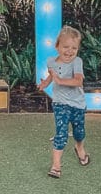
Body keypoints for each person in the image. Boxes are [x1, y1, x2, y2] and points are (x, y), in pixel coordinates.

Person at [37, 25, 90, 178]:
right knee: (61, 133)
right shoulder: (51, 62)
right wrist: (45, 84)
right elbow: (51, 77)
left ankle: (79, 147)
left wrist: (59, 80)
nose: (69, 51)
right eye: (65, 47)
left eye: (74, 48)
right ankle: (56, 166)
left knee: (79, 132)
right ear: (57, 46)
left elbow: (78, 81)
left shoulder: (77, 62)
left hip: (77, 104)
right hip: (60, 103)